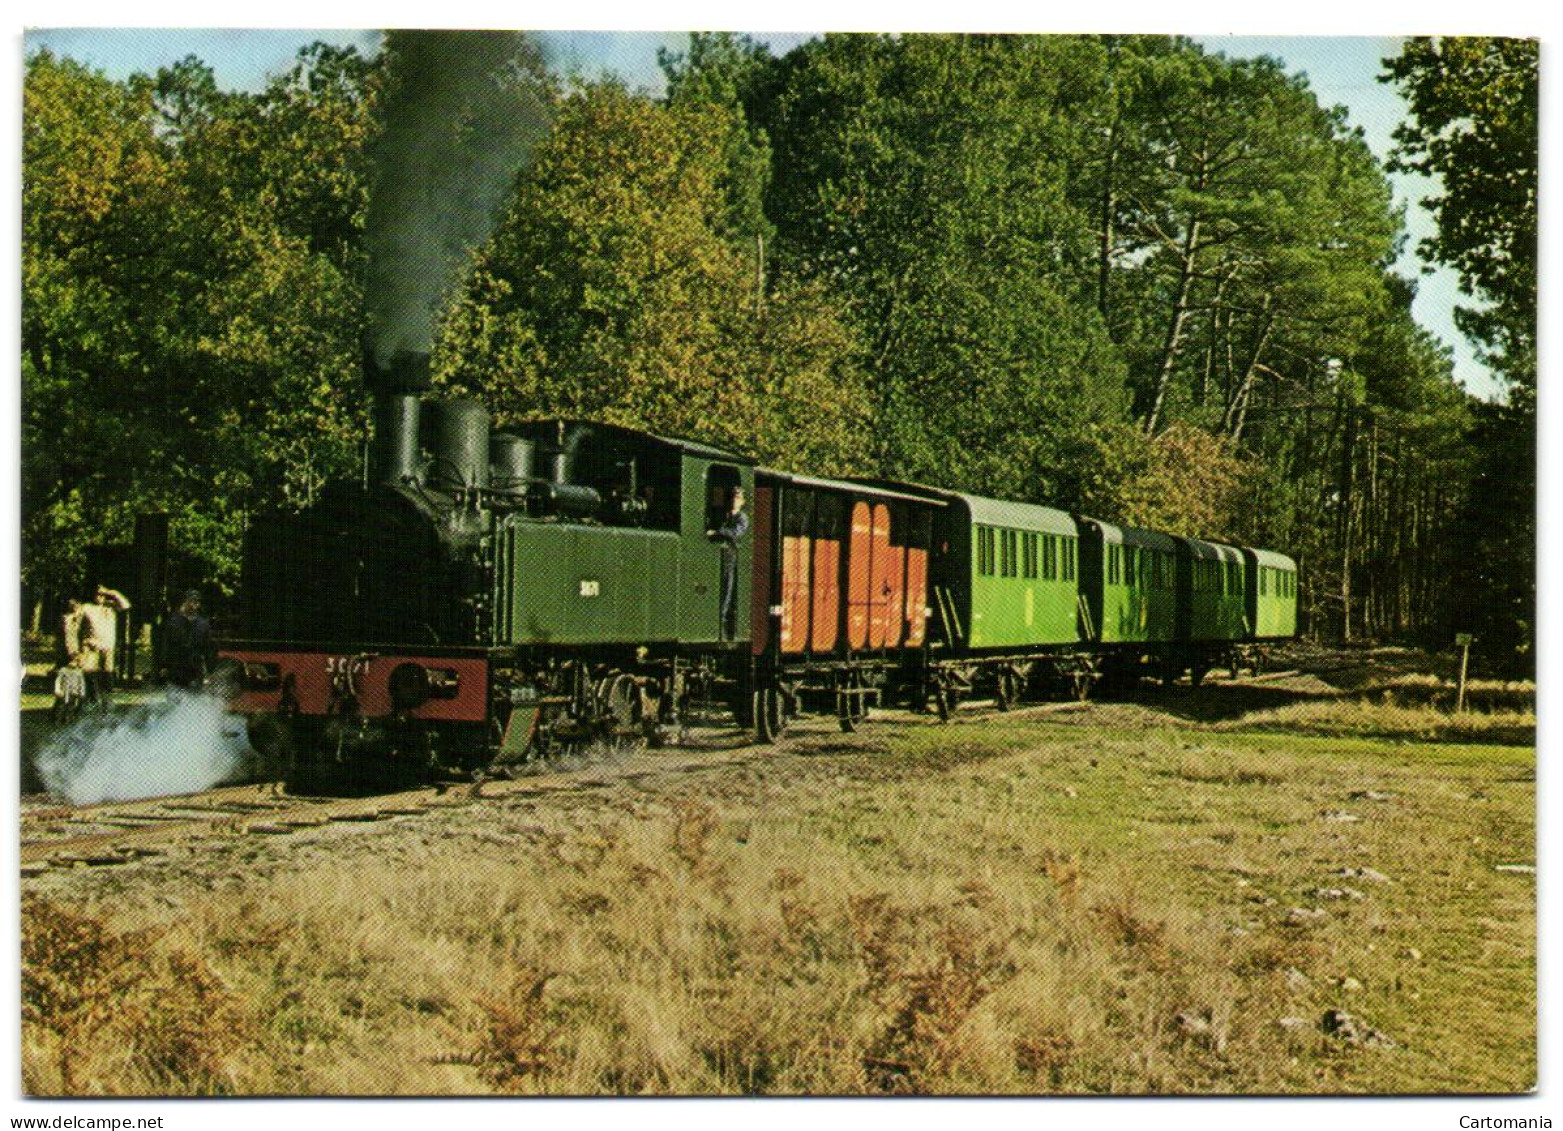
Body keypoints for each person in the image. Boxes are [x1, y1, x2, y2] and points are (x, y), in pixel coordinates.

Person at [72, 585, 131, 705]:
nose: (99, 597)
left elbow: (126, 605)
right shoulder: (87, 607)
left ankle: (106, 700)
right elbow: (75, 623)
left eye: (102, 595)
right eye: (97, 594)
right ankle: (90, 699)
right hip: (91, 646)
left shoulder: (111, 607)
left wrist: (111, 592)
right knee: (89, 673)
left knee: (107, 674)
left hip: (107, 646)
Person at [707, 486, 749, 640]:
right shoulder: (724, 516)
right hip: (720, 554)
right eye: (732, 497)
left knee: (727, 587)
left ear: (742, 502)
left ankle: (724, 621)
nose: (734, 500)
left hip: (731, 555)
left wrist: (718, 532)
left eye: (737, 498)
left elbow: (736, 533)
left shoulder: (742, 518)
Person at [159, 589, 217, 690]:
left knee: (194, 699)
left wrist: (210, 670)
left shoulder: (203, 625)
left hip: (194, 669)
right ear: (185, 601)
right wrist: (164, 665)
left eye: (196, 601)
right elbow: (166, 644)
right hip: (176, 668)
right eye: (192, 601)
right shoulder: (173, 622)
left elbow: (208, 648)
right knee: (175, 699)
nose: (194, 604)